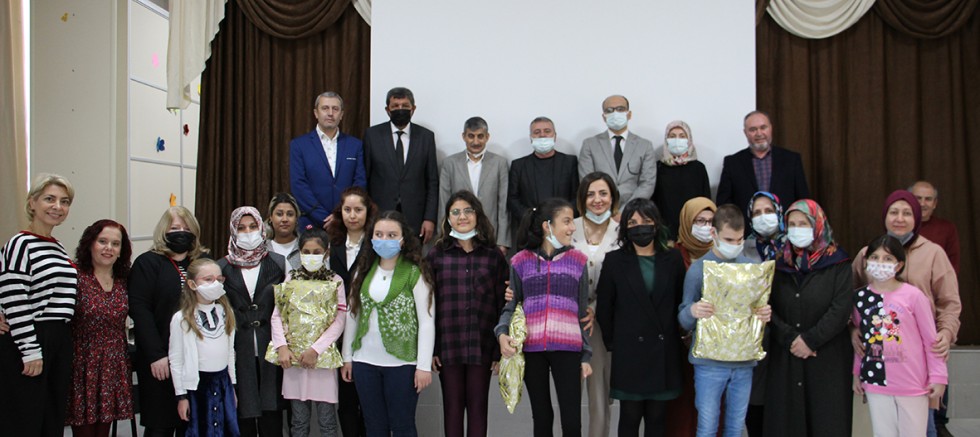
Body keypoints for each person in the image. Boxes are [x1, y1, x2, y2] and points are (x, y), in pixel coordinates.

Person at [850, 190, 960, 437]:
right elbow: (852, 302)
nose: (899, 218)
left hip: (917, 365)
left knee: (923, 428)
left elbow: (949, 302)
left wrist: (946, 332)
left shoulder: (933, 253)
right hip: (879, 369)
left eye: (907, 213)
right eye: (894, 212)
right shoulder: (865, 254)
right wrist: (853, 329)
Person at [496, 198, 593, 437]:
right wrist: (501, 333)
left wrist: (586, 355)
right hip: (532, 350)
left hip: (568, 349)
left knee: (572, 421)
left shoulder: (579, 261)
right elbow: (511, 306)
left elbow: (581, 313)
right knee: (542, 417)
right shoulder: (520, 261)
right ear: (547, 226)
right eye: (567, 221)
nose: (572, 227)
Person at [678, 205, 772, 437]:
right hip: (709, 363)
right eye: (729, 239)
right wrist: (693, 311)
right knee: (707, 426)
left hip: (743, 362)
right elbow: (683, 318)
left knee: (736, 427)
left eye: (740, 239)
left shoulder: (752, 269)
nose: (735, 244)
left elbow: (757, 313)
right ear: (714, 234)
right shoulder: (698, 270)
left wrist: (763, 315)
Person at [595, 198, 686, 437]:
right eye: (633, 222)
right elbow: (605, 307)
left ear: (656, 223)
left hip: (663, 351)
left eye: (645, 220)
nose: (640, 227)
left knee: (657, 417)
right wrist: (615, 342)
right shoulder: (614, 261)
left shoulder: (673, 259)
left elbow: (680, 301)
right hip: (629, 352)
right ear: (625, 228)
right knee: (630, 416)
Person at [341, 210, 436, 436]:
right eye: (379, 234)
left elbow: (426, 321)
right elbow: (352, 315)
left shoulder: (415, 273)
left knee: (402, 425)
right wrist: (347, 357)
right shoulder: (363, 271)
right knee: (374, 426)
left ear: (403, 239)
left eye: (392, 235)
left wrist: (423, 366)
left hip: (403, 365)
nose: (384, 240)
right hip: (364, 362)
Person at [765, 199, 853, 436]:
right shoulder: (778, 263)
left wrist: (810, 340)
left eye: (803, 224)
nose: (797, 230)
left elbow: (840, 308)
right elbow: (767, 307)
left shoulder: (839, 262)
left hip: (827, 356)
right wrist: (791, 338)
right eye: (792, 225)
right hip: (787, 353)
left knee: (826, 422)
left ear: (818, 225)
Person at [0, 174, 78, 436]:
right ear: (32, 203)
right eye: (49, 199)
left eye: (64, 201)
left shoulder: (57, 247)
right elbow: (14, 298)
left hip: (58, 336)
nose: (58, 206)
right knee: (24, 419)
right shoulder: (20, 244)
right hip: (31, 337)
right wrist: (30, 349)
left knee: (51, 417)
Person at [427, 191, 508, 437]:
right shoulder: (436, 255)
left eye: (468, 211)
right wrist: (432, 348)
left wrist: (498, 350)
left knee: (478, 410)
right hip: (448, 346)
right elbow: (428, 305)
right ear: (448, 219)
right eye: (455, 212)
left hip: (482, 346)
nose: (462, 217)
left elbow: (502, 304)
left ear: (477, 215)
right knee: (452, 410)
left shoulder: (493, 255)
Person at [128, 206, 210, 437]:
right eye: (174, 228)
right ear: (164, 231)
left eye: (186, 228)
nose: (181, 232)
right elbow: (140, 311)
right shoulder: (147, 263)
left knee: (192, 423)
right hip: (161, 360)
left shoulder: (202, 264)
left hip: (196, 359)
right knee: (161, 425)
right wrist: (156, 355)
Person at [217, 206, 288, 436]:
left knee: (271, 414)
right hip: (239, 347)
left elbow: (286, 307)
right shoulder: (222, 267)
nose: (248, 232)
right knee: (244, 413)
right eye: (241, 228)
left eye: (253, 226)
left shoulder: (278, 262)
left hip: (271, 347)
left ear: (262, 228)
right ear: (232, 231)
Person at [271, 228, 347, 437]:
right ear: (299, 252)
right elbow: (277, 315)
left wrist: (316, 350)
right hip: (294, 359)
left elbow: (340, 319)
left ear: (326, 253)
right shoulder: (290, 279)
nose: (311, 256)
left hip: (322, 359)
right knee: (298, 423)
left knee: (327, 422)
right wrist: (282, 347)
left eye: (316, 252)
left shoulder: (335, 281)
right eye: (306, 252)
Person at [67, 220, 135, 437]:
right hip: (82, 364)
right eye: (102, 241)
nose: (109, 248)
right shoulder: (74, 276)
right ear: (90, 243)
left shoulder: (125, 279)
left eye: (115, 244)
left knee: (103, 430)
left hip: (114, 363)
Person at [570, 172, 621, 437]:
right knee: (568, 392)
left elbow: (625, 278)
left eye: (603, 193)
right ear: (582, 199)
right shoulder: (570, 226)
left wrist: (598, 308)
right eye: (590, 194)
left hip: (603, 321)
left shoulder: (622, 231)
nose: (597, 199)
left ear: (613, 197)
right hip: (569, 320)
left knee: (599, 393)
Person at [168, 258, 239, 436]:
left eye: (219, 279)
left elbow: (230, 352)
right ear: (192, 284)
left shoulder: (226, 313)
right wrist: (182, 396)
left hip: (223, 384)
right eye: (208, 279)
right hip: (197, 387)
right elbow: (176, 360)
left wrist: (232, 387)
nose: (215, 284)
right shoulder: (181, 318)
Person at [326, 186, 376, 437]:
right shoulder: (331, 243)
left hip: (369, 328)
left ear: (368, 212)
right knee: (346, 400)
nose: (353, 215)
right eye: (347, 210)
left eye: (358, 209)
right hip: (338, 329)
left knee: (369, 402)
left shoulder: (376, 245)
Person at [362, 87, 439, 244]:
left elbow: (432, 181)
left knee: (413, 258)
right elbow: (365, 178)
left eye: (405, 105)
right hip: (380, 215)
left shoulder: (426, 137)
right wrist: (367, 215)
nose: (400, 109)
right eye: (395, 106)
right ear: (387, 110)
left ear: (413, 109)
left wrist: (429, 218)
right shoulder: (372, 135)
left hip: (416, 218)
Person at [290, 91, 367, 230]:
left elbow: (359, 183)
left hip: (346, 222)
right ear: (316, 113)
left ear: (341, 114)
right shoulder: (299, 145)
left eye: (335, 109)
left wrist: (340, 215)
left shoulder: (355, 145)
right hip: (311, 221)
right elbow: (298, 185)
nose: (330, 113)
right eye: (325, 108)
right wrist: (323, 217)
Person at [741, 191, 784, 437]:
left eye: (768, 211)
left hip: (787, 335)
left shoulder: (793, 248)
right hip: (755, 337)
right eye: (757, 212)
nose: (763, 216)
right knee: (756, 405)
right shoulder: (743, 248)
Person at [716, 111, 809, 218]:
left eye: (763, 127)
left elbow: (803, 201)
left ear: (771, 128)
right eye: (753, 129)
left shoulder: (791, 160)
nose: (759, 133)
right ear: (745, 133)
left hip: (784, 225)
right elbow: (724, 204)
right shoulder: (732, 163)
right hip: (746, 227)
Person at [438, 117, 511, 250]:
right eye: (471, 136)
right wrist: (443, 236)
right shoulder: (449, 164)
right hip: (457, 233)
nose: (476, 141)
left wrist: (503, 241)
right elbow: (444, 202)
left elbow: (503, 205)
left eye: (480, 136)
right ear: (464, 136)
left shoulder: (499, 163)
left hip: (490, 233)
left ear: (487, 137)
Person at [578, 95, 657, 203]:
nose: (615, 113)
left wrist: (628, 209)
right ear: (604, 117)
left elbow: (647, 184)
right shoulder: (589, 144)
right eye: (609, 110)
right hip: (600, 206)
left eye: (620, 109)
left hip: (633, 208)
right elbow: (587, 182)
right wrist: (606, 207)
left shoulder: (645, 145)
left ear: (629, 114)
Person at [508, 117, 580, 226]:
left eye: (547, 131)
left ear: (555, 136)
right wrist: (531, 219)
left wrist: (562, 218)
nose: (542, 135)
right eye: (537, 132)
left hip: (563, 226)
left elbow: (577, 196)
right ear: (531, 138)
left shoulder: (569, 162)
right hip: (530, 228)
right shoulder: (518, 166)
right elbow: (513, 199)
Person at [651, 120, 711, 239]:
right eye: (672, 136)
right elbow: (653, 201)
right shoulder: (658, 167)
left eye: (682, 136)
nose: (677, 140)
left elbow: (706, 201)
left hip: (693, 231)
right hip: (664, 232)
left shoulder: (698, 168)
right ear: (666, 140)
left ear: (689, 140)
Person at [910, 181, 959, 273]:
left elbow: (952, 265)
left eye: (928, 199)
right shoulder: (899, 225)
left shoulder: (947, 228)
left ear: (934, 203)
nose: (922, 203)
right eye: (918, 198)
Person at [675, 197, 718, 269]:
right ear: (687, 222)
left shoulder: (723, 251)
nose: (707, 226)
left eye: (711, 221)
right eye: (701, 220)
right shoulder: (674, 256)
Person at [266, 192, 301, 270]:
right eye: (279, 214)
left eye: (290, 214)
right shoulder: (262, 249)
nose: (285, 219)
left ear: (296, 218)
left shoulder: (305, 246)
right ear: (271, 217)